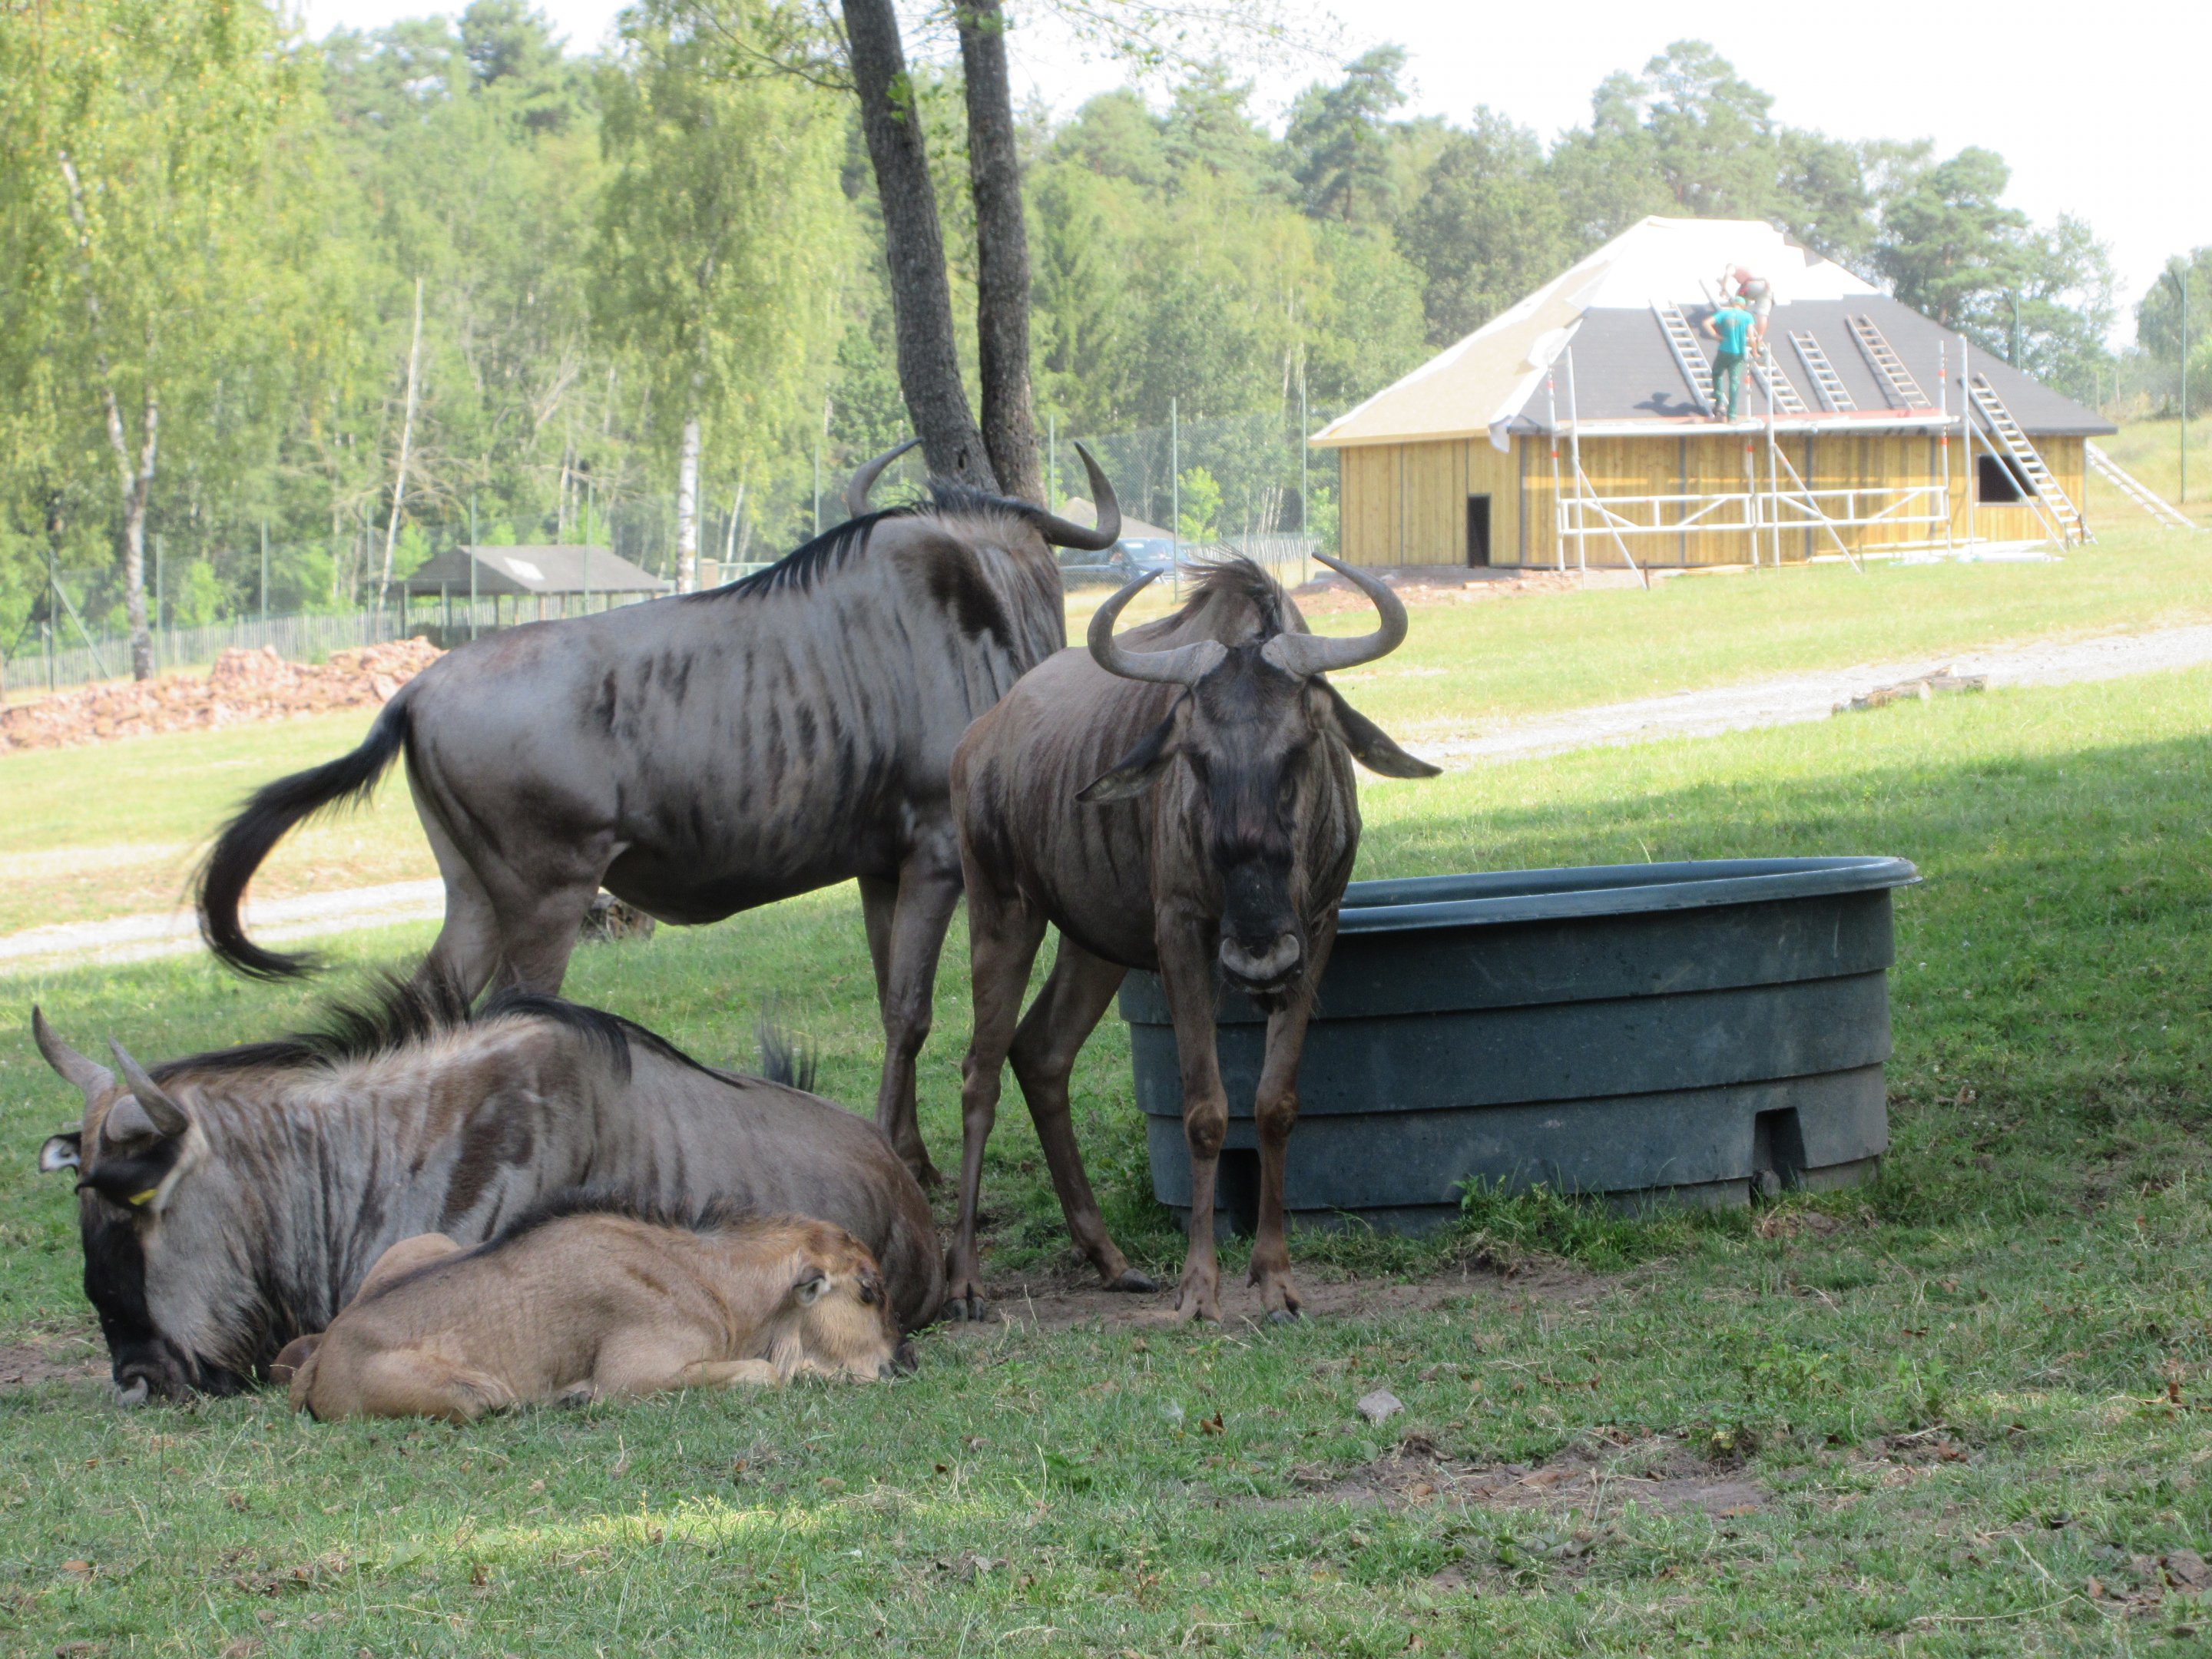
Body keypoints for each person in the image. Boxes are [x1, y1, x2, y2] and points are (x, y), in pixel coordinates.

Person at [1703, 296, 1753, 422]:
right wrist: (1756, 352)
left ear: (1733, 304)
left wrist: (1716, 336)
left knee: (1717, 373)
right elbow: (1752, 337)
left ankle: (1719, 402)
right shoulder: (1747, 317)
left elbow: (1706, 323)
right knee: (1734, 382)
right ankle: (1732, 415)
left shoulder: (1724, 313)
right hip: (1739, 354)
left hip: (1724, 351)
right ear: (1743, 306)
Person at [1729, 265, 1774, 344]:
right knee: (1763, 314)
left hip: (1751, 285)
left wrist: (1723, 287)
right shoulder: (1757, 268)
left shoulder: (1737, 268)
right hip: (1765, 288)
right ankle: (1759, 337)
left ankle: (1736, 324)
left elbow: (1739, 277)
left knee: (1739, 304)